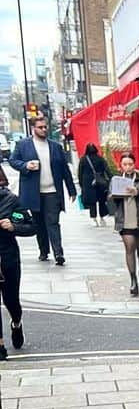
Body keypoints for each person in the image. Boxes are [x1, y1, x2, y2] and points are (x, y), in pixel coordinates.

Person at [9, 115, 77, 265]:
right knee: (39, 223)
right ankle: (44, 251)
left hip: (52, 191)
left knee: (53, 222)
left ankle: (58, 253)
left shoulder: (55, 146)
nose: (44, 129)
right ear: (33, 129)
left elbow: (65, 169)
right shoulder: (23, 145)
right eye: (40, 127)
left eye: (45, 127)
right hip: (33, 192)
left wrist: (71, 190)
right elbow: (13, 161)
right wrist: (25, 166)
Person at [0, 168, 37, 360]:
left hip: (7, 258)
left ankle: (16, 322)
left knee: (11, 301)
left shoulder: (11, 200)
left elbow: (31, 227)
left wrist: (13, 226)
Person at [109, 152, 139, 296]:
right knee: (130, 248)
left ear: (134, 164)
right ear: (121, 166)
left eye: (130, 164)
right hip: (125, 220)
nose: (128, 167)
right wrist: (116, 195)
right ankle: (133, 280)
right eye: (125, 164)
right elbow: (110, 199)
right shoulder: (116, 180)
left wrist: (138, 193)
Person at [77, 142, 110, 226]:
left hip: (88, 183)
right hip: (100, 182)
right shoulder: (100, 158)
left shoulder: (83, 159)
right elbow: (107, 170)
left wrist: (81, 184)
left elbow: (80, 173)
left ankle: (94, 219)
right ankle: (102, 218)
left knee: (92, 202)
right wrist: (110, 180)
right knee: (101, 201)